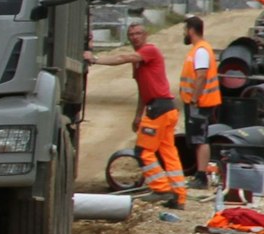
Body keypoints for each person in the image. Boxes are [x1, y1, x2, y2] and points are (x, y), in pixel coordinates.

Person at [85, 21, 187, 208]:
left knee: (143, 151)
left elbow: (122, 57)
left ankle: (161, 188)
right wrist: (138, 114)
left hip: (159, 109)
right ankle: (178, 196)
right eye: (131, 34)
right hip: (164, 109)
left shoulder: (149, 51)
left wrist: (95, 59)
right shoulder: (139, 62)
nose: (134, 37)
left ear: (145, 34)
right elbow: (143, 89)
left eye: (138, 33)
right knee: (168, 153)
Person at [180, 15, 223, 188]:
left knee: (200, 138)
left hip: (200, 102)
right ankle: (200, 174)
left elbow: (202, 76)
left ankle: (201, 176)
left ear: (191, 30)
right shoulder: (198, 49)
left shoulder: (201, 51)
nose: (184, 33)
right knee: (197, 138)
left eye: (185, 30)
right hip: (198, 101)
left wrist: (194, 99)